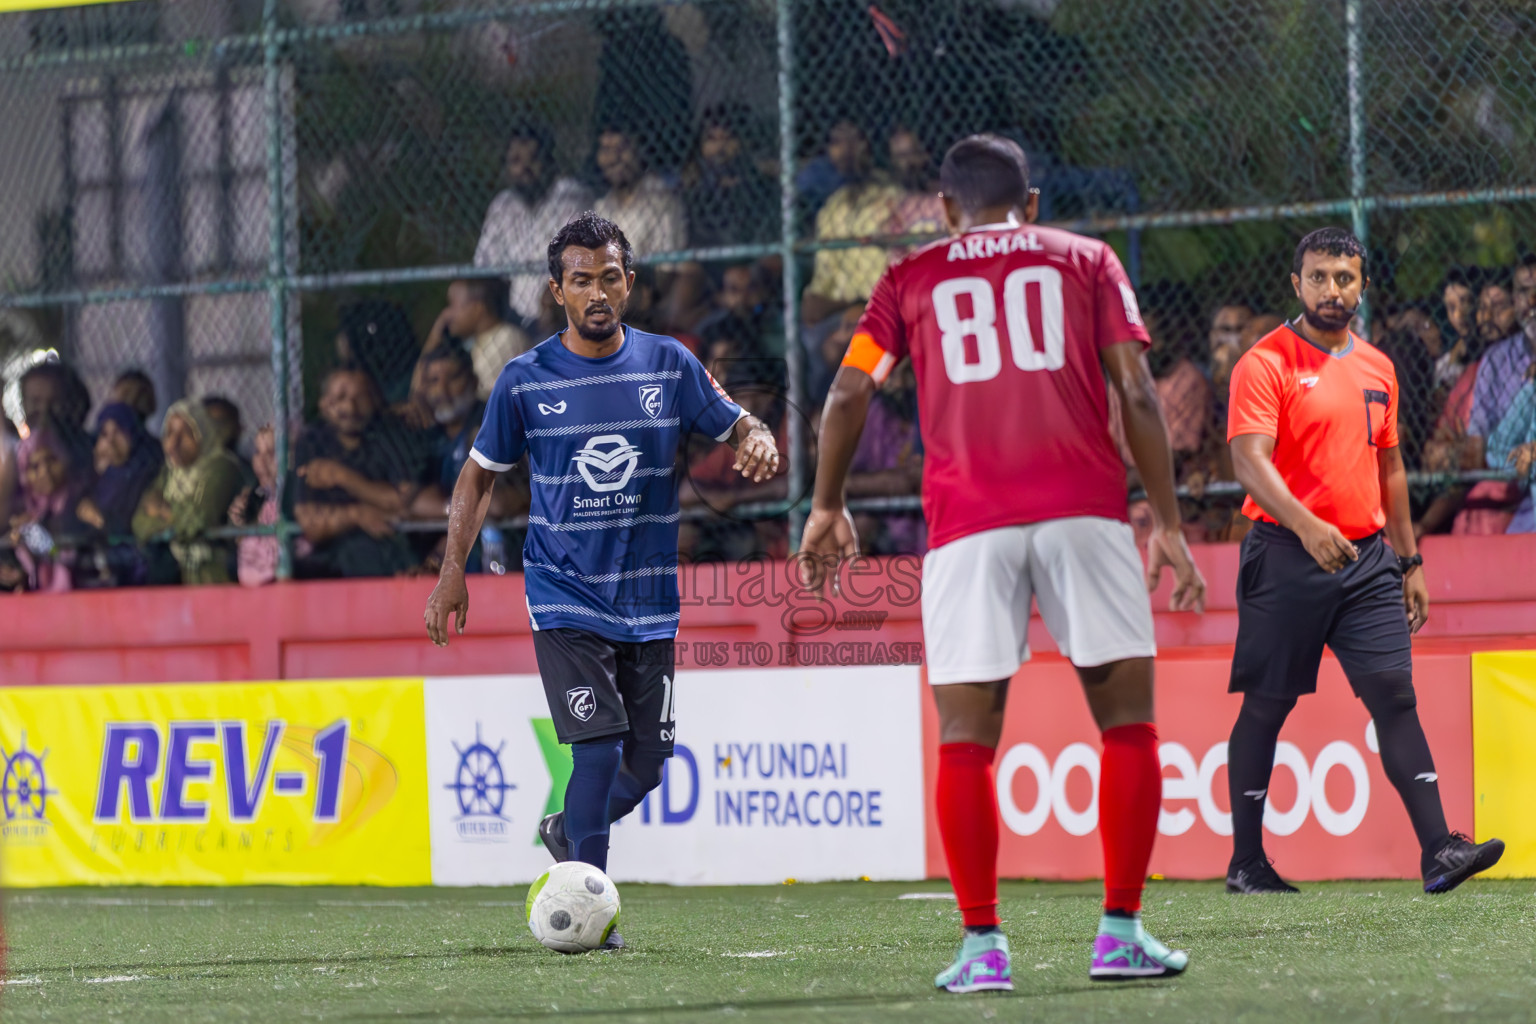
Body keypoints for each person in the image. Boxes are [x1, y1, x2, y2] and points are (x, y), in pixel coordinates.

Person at [800, 135, 1205, 992]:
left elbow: (847, 391)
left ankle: (983, 950)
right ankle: (1120, 933)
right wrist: (1165, 520)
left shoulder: (908, 278)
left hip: (965, 524)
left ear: (946, 208)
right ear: (1031, 203)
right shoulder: (1087, 260)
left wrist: (827, 505)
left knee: (966, 742)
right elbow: (1135, 391)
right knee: (1127, 723)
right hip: (1085, 513)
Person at [424, 212, 778, 948]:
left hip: (649, 601)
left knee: (647, 762)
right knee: (595, 746)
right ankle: (593, 907)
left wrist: (758, 436)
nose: (597, 292)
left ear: (629, 282)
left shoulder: (668, 363)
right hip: (564, 592)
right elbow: (477, 476)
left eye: (609, 277)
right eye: (581, 280)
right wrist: (451, 572)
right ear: (557, 291)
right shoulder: (525, 380)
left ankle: (565, 829)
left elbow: (735, 421)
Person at [1223, 227, 1503, 897]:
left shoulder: (1378, 366)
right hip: (1286, 555)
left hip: (1369, 562)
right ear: (1296, 284)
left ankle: (1439, 850)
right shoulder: (1264, 363)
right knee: (1267, 707)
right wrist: (1306, 525)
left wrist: (1410, 561)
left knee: (1395, 698)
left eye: (1343, 277)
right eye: (1318, 277)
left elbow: (1392, 467)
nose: (1331, 290)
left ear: (1363, 285)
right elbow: (1247, 461)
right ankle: (1246, 862)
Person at [292, 364, 435, 578]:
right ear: (323, 405)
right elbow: (311, 523)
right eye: (339, 398)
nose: (350, 407)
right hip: (331, 555)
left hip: (390, 544)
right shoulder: (311, 443)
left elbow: (401, 501)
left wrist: (341, 476)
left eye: (360, 398)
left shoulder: (390, 434)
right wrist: (357, 514)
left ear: (375, 401)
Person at [475, 123, 594, 328]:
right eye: (516, 161)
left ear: (549, 162)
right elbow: (485, 266)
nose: (525, 169)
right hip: (509, 314)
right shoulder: (502, 205)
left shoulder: (570, 197)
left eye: (534, 159)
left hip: (560, 313)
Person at [799, 121, 903, 328]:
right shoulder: (833, 207)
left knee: (835, 345)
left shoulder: (895, 198)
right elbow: (825, 276)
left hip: (884, 304)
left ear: (869, 146)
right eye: (837, 142)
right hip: (841, 306)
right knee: (811, 333)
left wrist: (862, 305)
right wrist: (816, 297)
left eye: (853, 141)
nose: (845, 150)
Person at [132, 399, 245, 585]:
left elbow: (200, 518)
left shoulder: (222, 467)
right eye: (170, 433)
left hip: (217, 577)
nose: (174, 443)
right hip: (178, 578)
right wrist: (177, 517)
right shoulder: (169, 473)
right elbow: (140, 523)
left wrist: (163, 512)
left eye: (186, 434)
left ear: (203, 434)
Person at [77, 402, 162, 586]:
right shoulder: (94, 477)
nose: (110, 442)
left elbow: (125, 522)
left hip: (137, 568)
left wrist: (99, 519)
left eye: (119, 432)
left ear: (133, 434)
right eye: (104, 434)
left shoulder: (146, 471)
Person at [423, 278, 532, 401]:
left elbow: (480, 397)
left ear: (477, 308)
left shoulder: (505, 339)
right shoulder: (478, 341)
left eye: (453, 305)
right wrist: (435, 334)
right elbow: (420, 390)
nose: (447, 314)